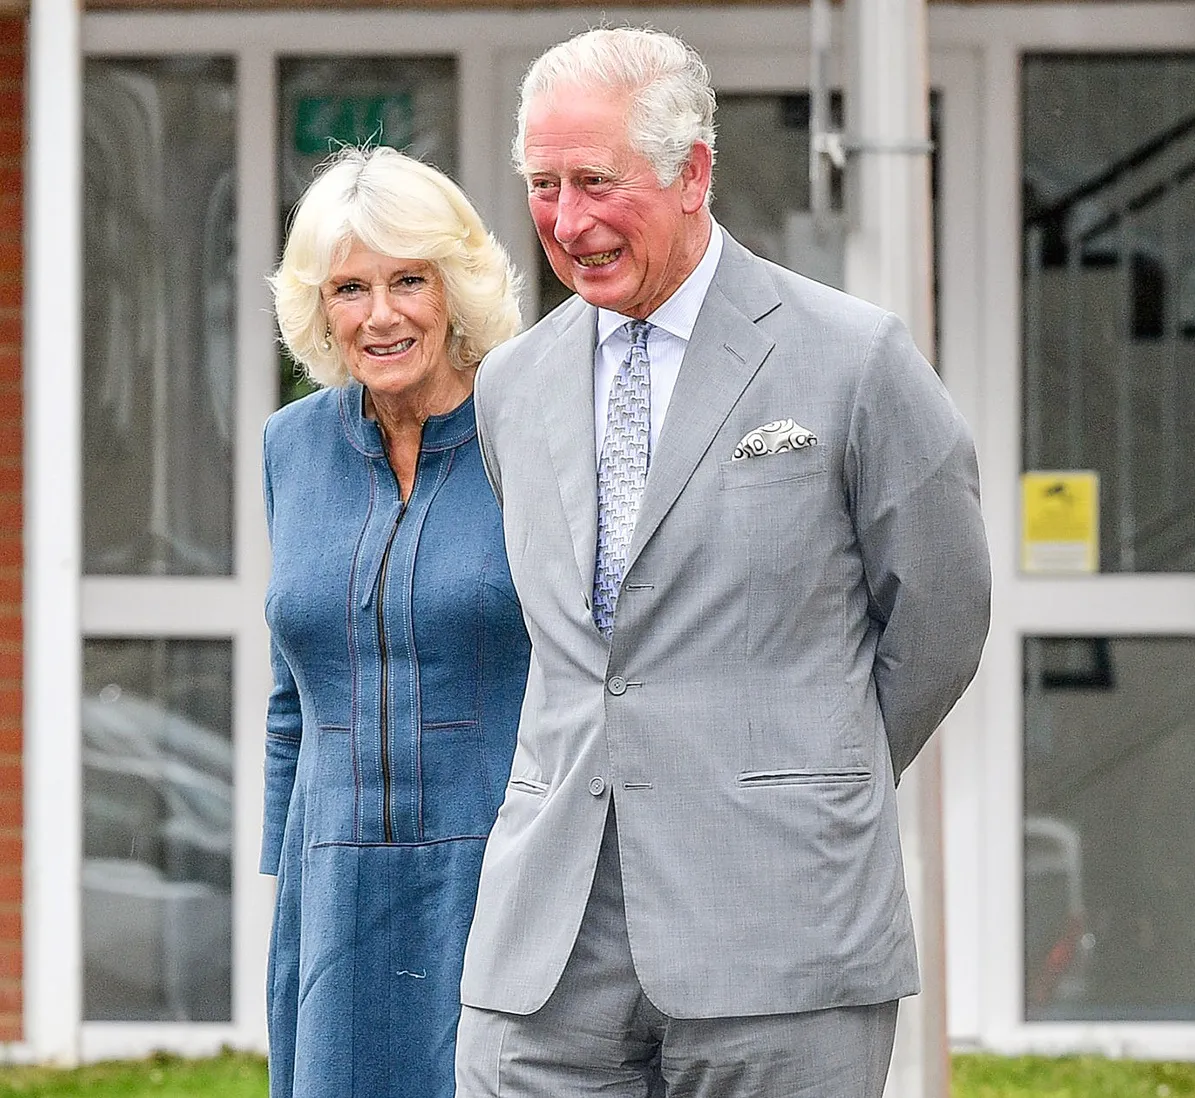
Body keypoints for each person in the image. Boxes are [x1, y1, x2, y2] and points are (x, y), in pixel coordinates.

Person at [454, 26, 991, 1098]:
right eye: (545, 185)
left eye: (597, 182)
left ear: (692, 170)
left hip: (782, 927)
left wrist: (800, 775)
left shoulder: (853, 358)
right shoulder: (508, 385)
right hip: (547, 946)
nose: (567, 221)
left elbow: (940, 619)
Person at [260, 145, 530, 1098]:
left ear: (453, 289)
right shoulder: (289, 447)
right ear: (319, 308)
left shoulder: (529, 433)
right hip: (331, 883)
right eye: (349, 288)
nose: (380, 315)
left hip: (505, 869)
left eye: (407, 280)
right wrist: (282, 866)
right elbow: (290, 690)